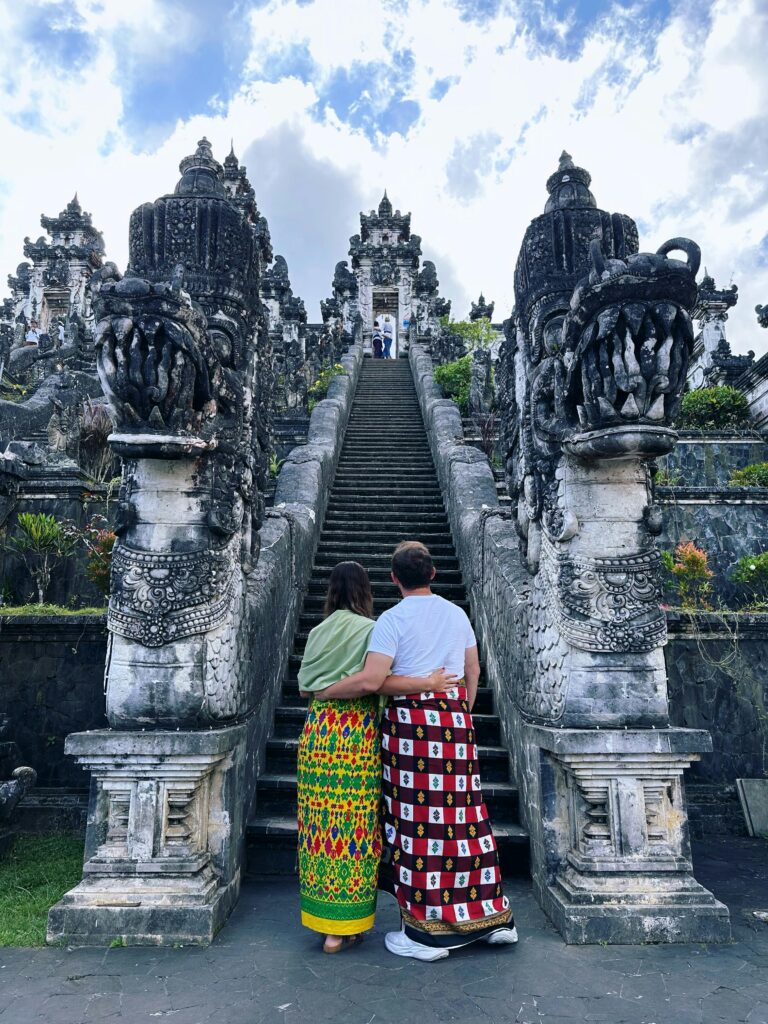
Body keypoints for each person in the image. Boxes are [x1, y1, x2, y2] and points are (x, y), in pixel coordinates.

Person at [323, 541, 516, 961]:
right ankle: (490, 917)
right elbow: (472, 670)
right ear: (432, 574)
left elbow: (373, 681)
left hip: (411, 728)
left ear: (394, 578)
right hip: (455, 722)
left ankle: (426, 934)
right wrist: (460, 711)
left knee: (417, 824)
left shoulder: (392, 619)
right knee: (465, 816)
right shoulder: (457, 614)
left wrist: (327, 690)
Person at [297, 561, 455, 954]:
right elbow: (377, 682)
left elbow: (305, 688)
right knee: (355, 828)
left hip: (318, 734)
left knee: (319, 830)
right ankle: (344, 926)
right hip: (356, 735)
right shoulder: (372, 629)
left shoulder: (317, 632)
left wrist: (325, 690)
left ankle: (325, 923)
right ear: (367, 591)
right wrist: (430, 683)